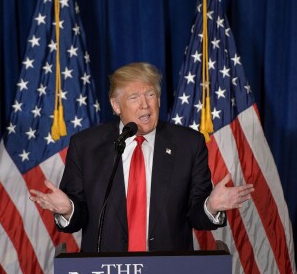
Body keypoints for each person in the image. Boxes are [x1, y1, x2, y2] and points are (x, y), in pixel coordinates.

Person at [29, 62, 253, 252]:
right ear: (116, 105)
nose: (145, 104)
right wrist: (68, 209)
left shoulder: (188, 144)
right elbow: (77, 219)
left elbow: (197, 215)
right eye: (134, 97)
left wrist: (210, 206)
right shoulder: (86, 146)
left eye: (150, 94)